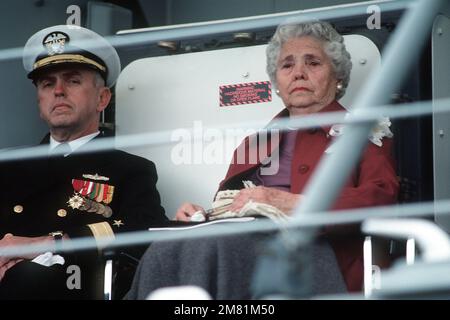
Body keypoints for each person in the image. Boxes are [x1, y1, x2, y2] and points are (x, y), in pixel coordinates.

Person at [126, 21, 399, 299]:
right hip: (243, 246)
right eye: (287, 65)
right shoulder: (254, 143)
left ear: (337, 75)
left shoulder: (363, 131)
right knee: (167, 247)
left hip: (317, 254)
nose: (299, 73)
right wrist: (200, 215)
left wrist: (292, 204)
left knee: (211, 246)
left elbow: (381, 199)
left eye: (313, 62)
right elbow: (231, 206)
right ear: (277, 81)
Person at [0, 25, 168, 299]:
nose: (58, 91)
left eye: (73, 80)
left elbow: (144, 231)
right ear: (39, 100)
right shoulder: (7, 166)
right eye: (47, 83)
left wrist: (48, 244)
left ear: (102, 98)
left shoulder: (130, 170)